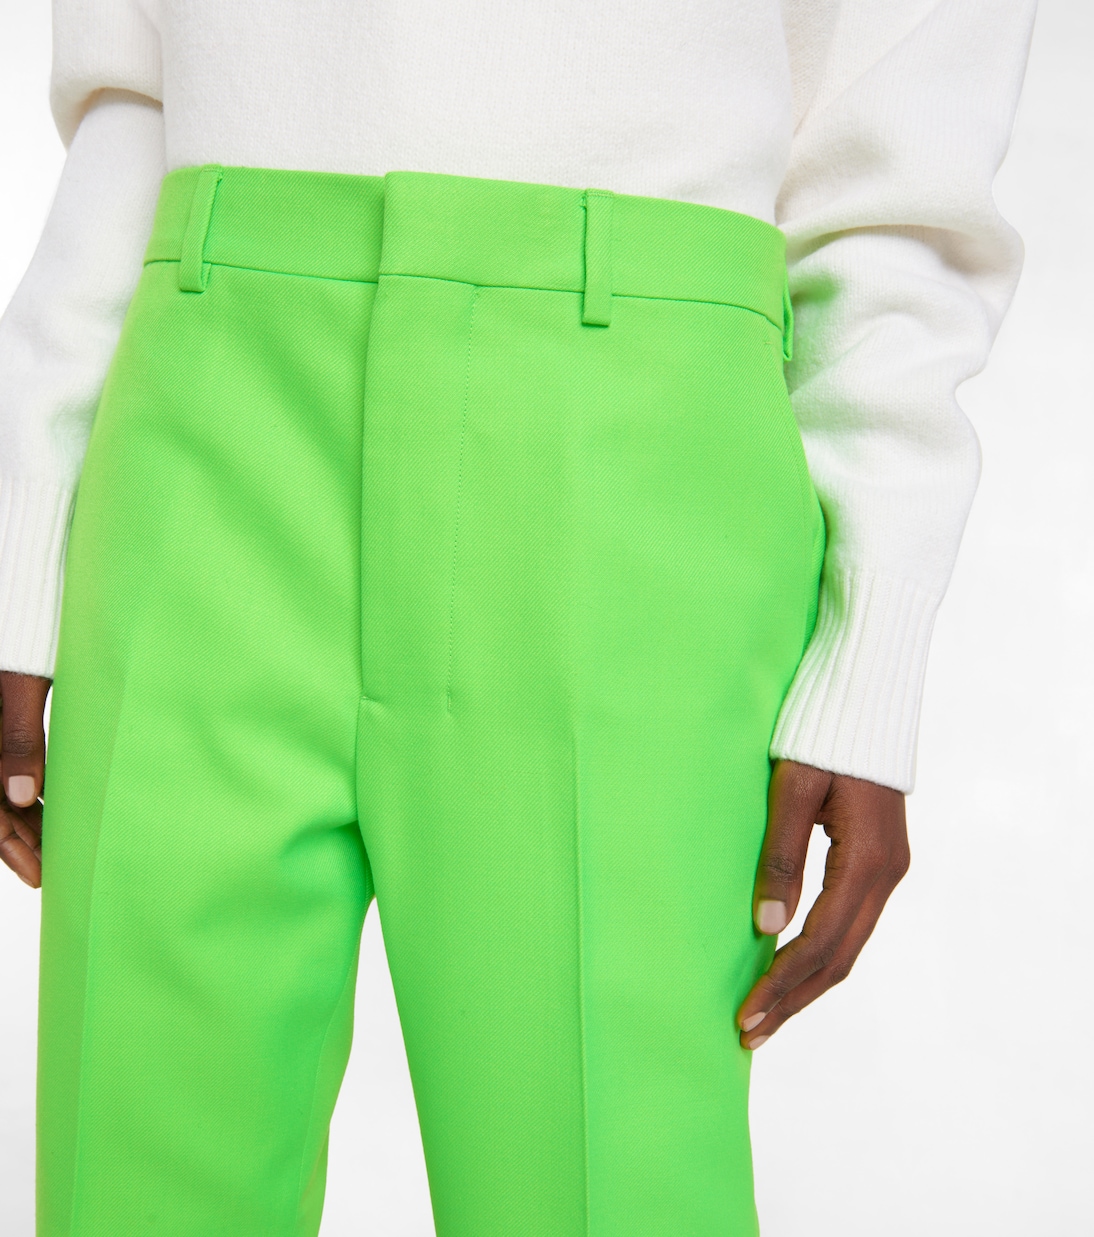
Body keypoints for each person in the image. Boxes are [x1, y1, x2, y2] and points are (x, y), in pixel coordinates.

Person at [0, 1, 1037, 1234]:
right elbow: (130, 97)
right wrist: (25, 538)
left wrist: (869, 644)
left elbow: (898, 159)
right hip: (201, 412)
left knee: (603, 1197)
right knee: (133, 1186)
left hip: (628, 456)